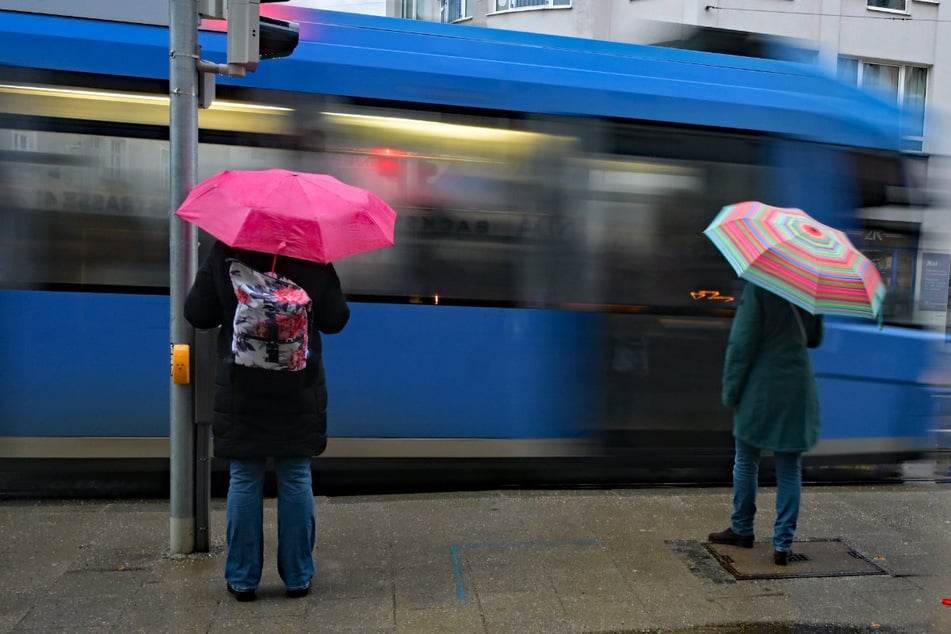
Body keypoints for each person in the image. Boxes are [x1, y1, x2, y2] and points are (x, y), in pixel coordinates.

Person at [184, 240, 350, 601]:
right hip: (298, 383)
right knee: (295, 475)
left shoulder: (226, 249)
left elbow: (197, 313)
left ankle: (242, 581)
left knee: (244, 476)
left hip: (241, 383)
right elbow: (337, 319)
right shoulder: (313, 252)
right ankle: (298, 577)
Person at [707, 282, 823, 566]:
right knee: (789, 468)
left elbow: (742, 342)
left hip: (762, 387)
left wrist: (731, 391)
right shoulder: (809, 286)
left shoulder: (759, 286)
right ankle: (782, 545)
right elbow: (813, 338)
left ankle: (742, 528)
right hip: (797, 387)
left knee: (747, 458)